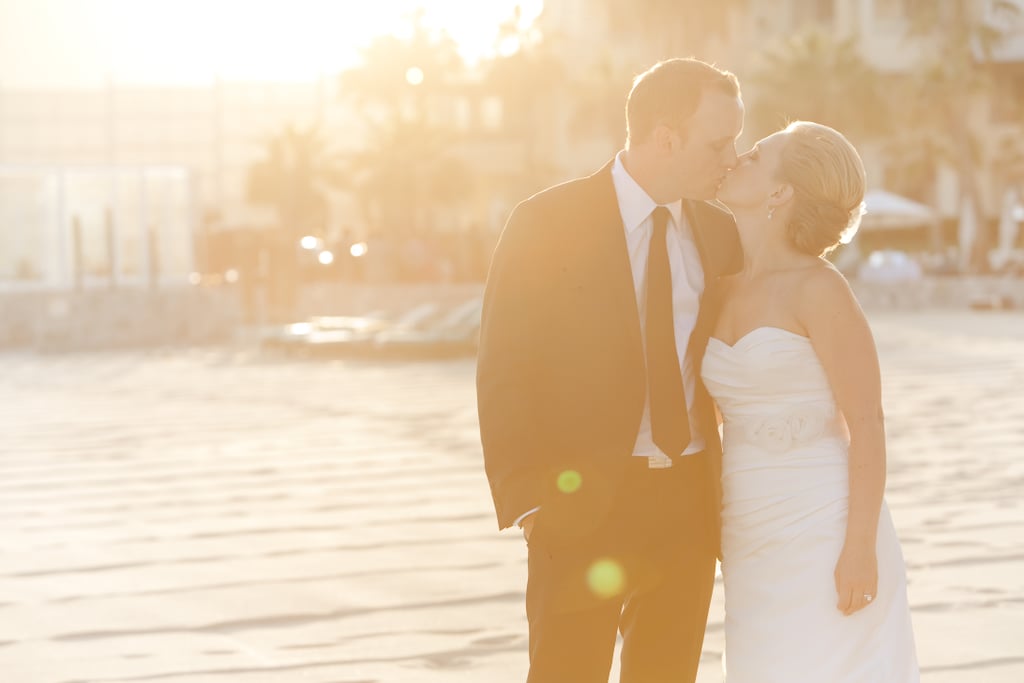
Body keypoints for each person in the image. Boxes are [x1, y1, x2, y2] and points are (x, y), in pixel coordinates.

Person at [476, 58, 744, 682]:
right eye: (718, 142)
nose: (732, 157)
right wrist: (527, 500)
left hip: (687, 502)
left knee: (667, 674)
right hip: (578, 502)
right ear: (665, 136)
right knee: (567, 672)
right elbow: (504, 367)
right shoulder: (545, 221)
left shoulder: (720, 231)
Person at [703, 121, 920, 681]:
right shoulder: (717, 284)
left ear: (780, 193)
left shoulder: (820, 289)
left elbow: (867, 424)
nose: (735, 159)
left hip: (824, 525)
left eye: (753, 156)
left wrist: (860, 549)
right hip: (747, 525)